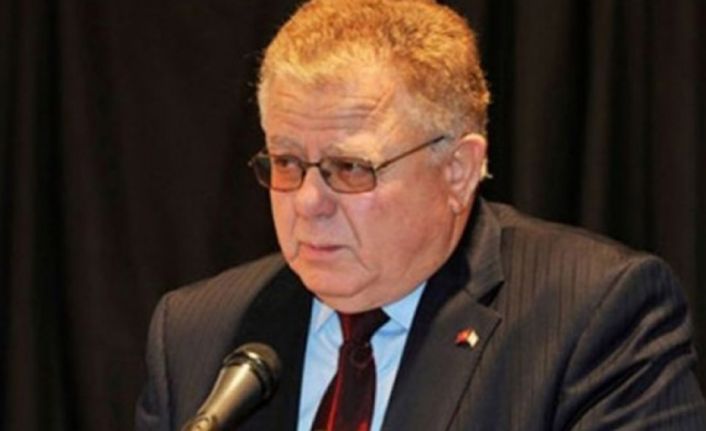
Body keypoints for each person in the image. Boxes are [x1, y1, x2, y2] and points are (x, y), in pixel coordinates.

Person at [135, 0, 706, 430]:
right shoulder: (196, 333)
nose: (307, 203)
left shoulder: (593, 318)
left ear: (458, 171)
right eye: (287, 162)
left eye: (350, 168)